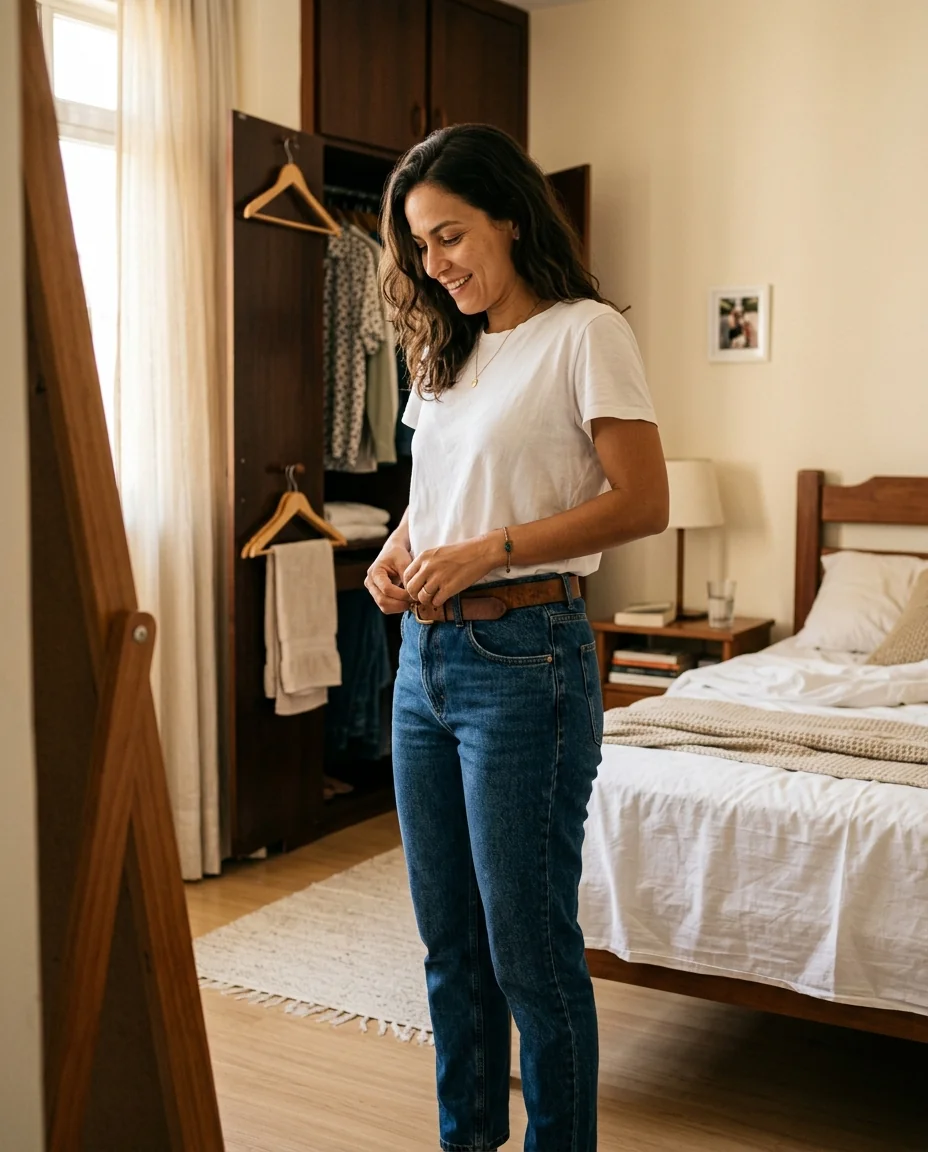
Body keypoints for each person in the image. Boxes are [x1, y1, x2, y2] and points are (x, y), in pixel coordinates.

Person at [366, 123, 668, 1152]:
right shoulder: (443, 347)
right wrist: (397, 551)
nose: (435, 265)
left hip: (524, 662)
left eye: (449, 236)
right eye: (419, 248)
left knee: (526, 953)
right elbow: (434, 493)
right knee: (448, 945)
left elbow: (641, 503)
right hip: (424, 664)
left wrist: (488, 551)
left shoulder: (585, 333)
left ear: (508, 214)